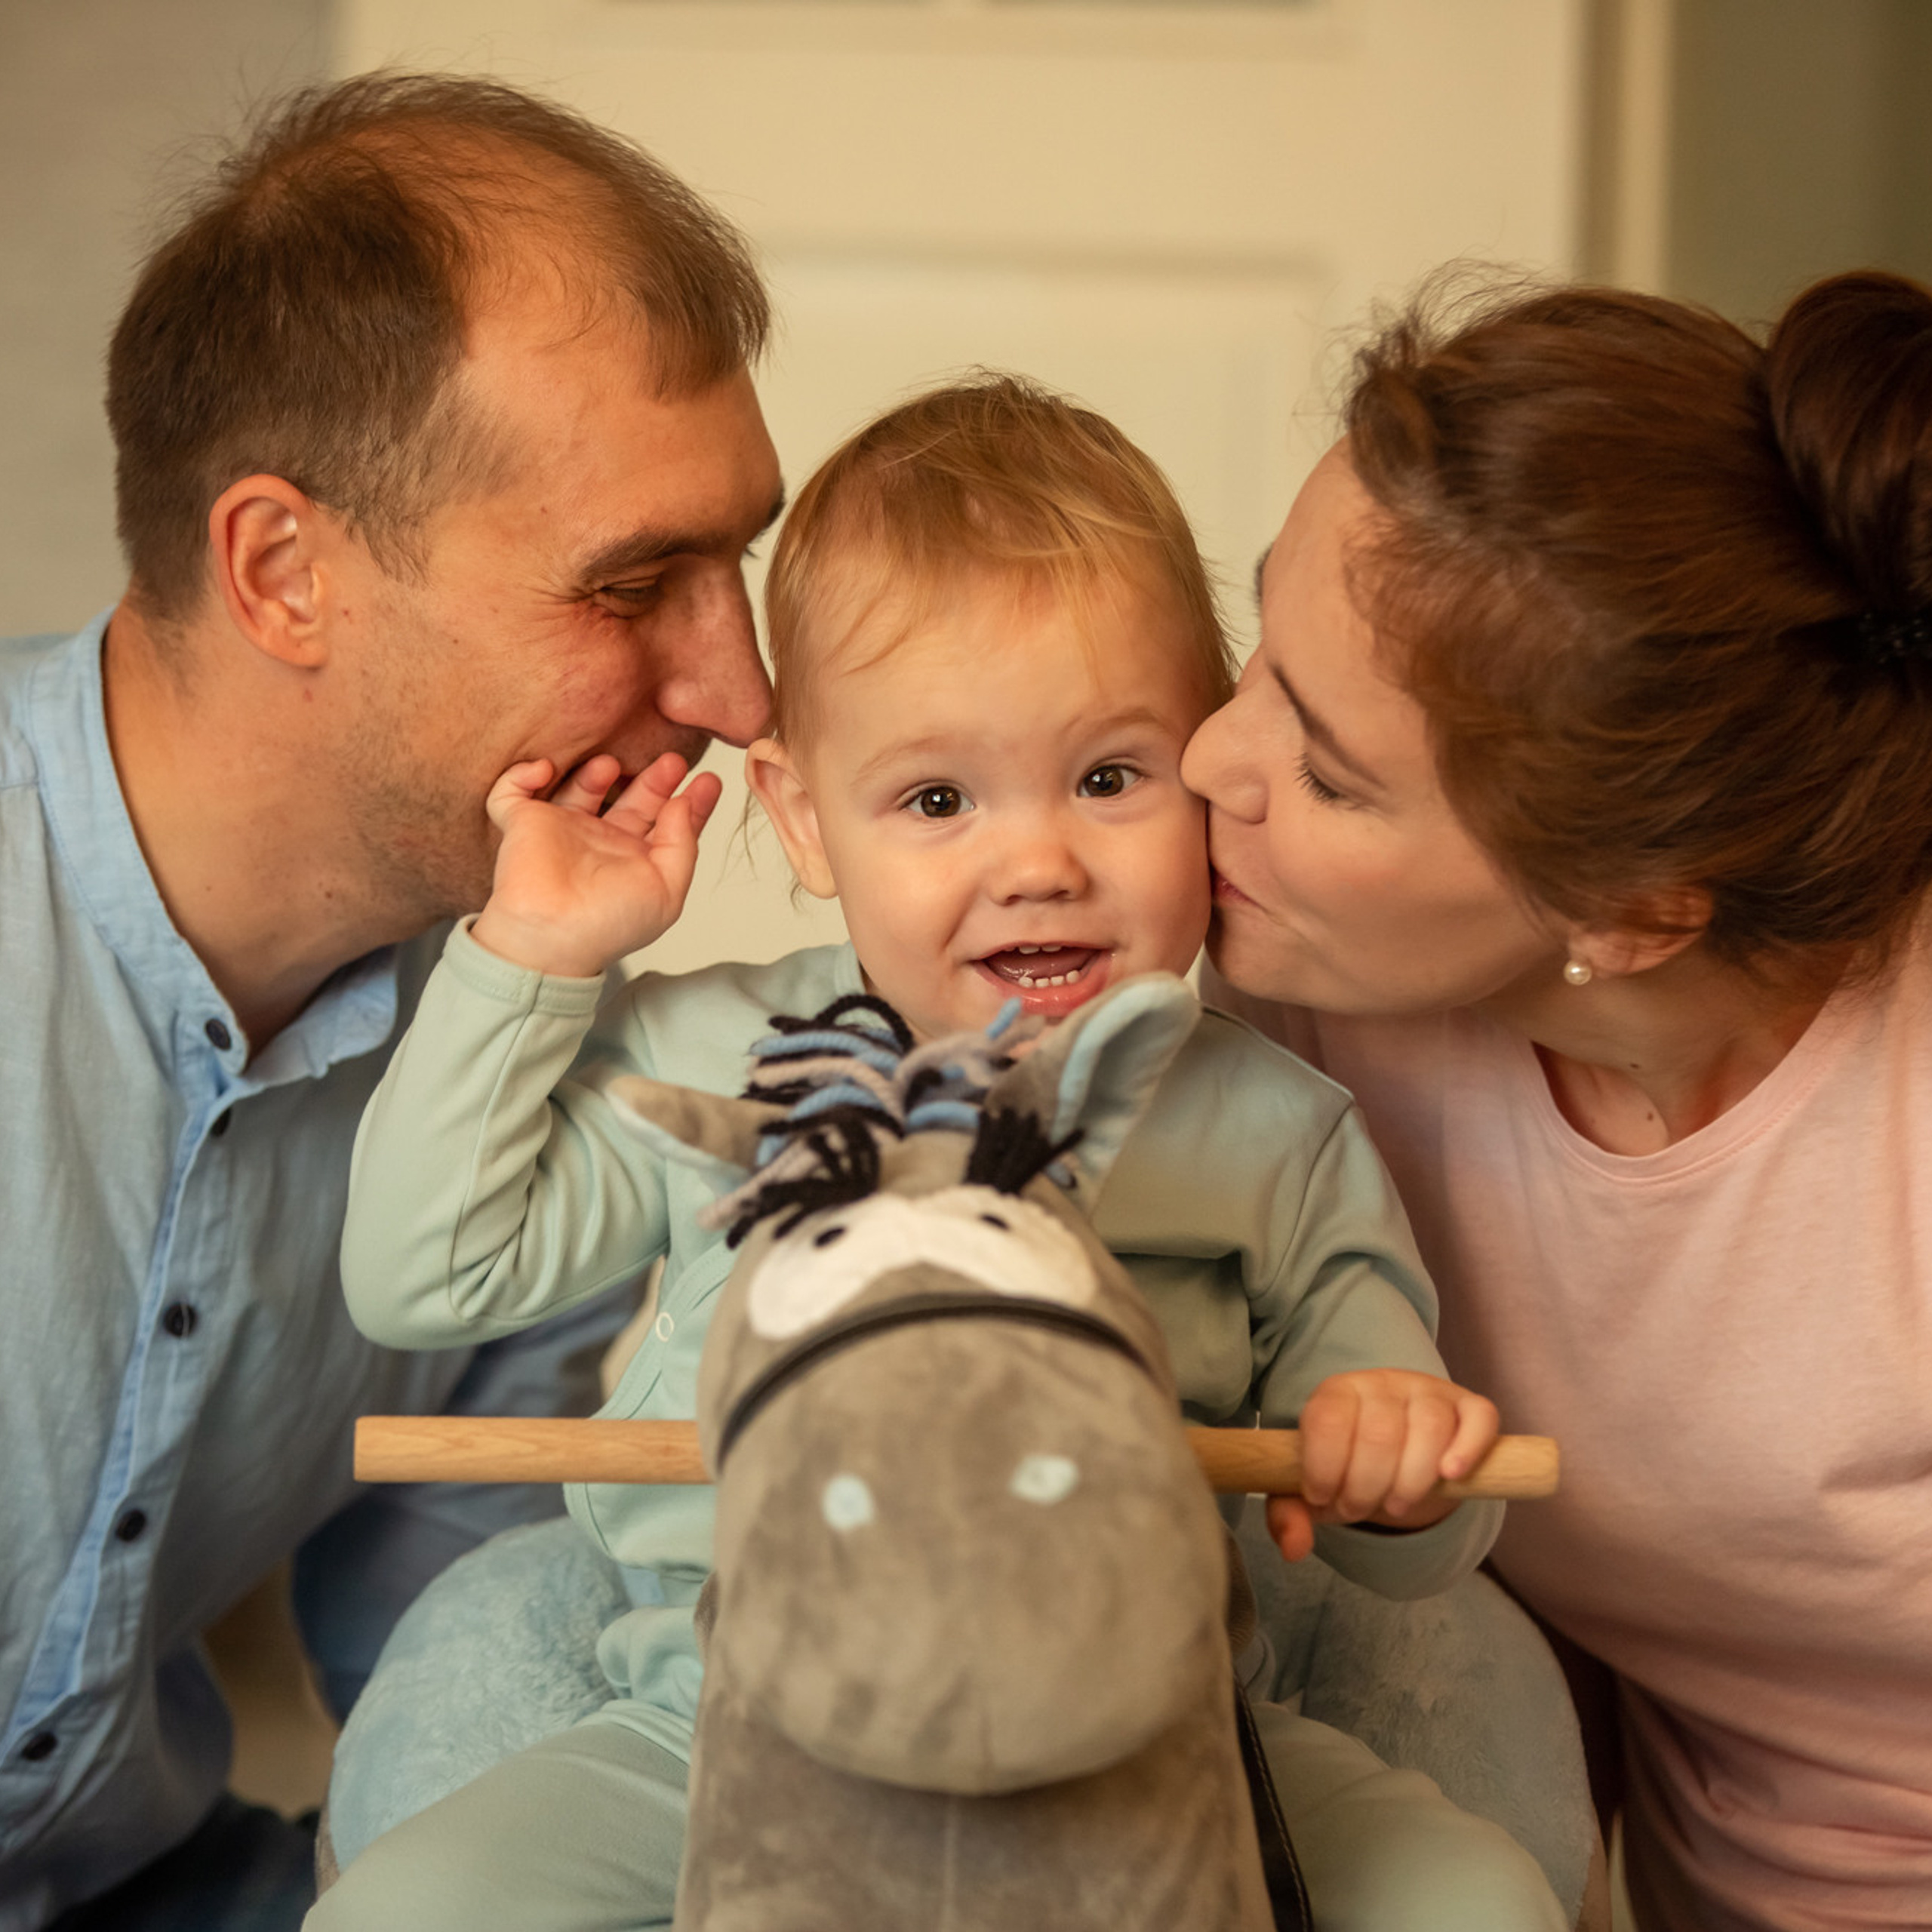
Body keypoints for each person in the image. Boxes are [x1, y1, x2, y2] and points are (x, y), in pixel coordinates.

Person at [309, 374, 1566, 1932]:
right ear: (801, 816)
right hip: (723, 1719)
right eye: (934, 797)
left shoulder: (1280, 1131)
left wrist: (1396, 1466)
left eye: (1109, 778)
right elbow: (423, 1277)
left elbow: (1420, 1554)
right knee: (400, 1911)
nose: (1036, 860)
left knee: (1481, 1899)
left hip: (1154, 1741)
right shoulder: (716, 1060)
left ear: (1205, 767)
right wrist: (534, 956)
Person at [0, 72, 782, 1932]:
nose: (742, 693)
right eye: (633, 583)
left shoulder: (532, 1056)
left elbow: (464, 1676)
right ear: (284, 572)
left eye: (734, 560)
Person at [1183, 269, 1932, 1932]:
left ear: (1634, 908)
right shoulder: (1306, 1020)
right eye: (1259, 645)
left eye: (1327, 772)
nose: (1205, 763)